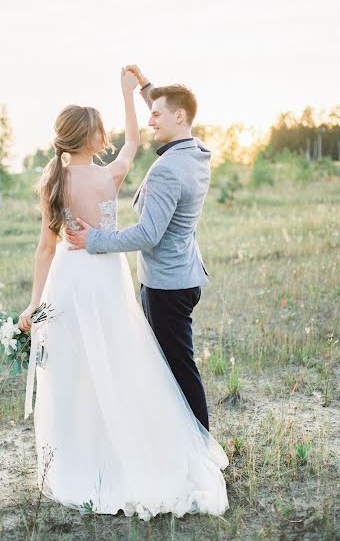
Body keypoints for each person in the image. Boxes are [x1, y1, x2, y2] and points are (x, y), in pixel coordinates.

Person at [18, 68, 228, 521]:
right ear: (89, 138)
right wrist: (128, 97)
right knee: (118, 361)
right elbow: (134, 140)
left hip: (67, 280)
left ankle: (79, 458)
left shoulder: (54, 182)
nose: (106, 134)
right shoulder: (110, 175)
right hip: (106, 278)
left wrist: (35, 303)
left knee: (74, 370)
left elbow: (45, 248)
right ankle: (127, 447)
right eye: (99, 129)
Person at [66, 64, 212, 432]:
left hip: (166, 285)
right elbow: (170, 107)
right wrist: (145, 88)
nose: (151, 122)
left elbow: (147, 234)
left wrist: (95, 240)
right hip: (185, 275)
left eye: (157, 115)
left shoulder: (167, 170)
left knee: (177, 368)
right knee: (175, 364)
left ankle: (198, 444)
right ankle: (180, 437)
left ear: (179, 117)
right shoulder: (196, 152)